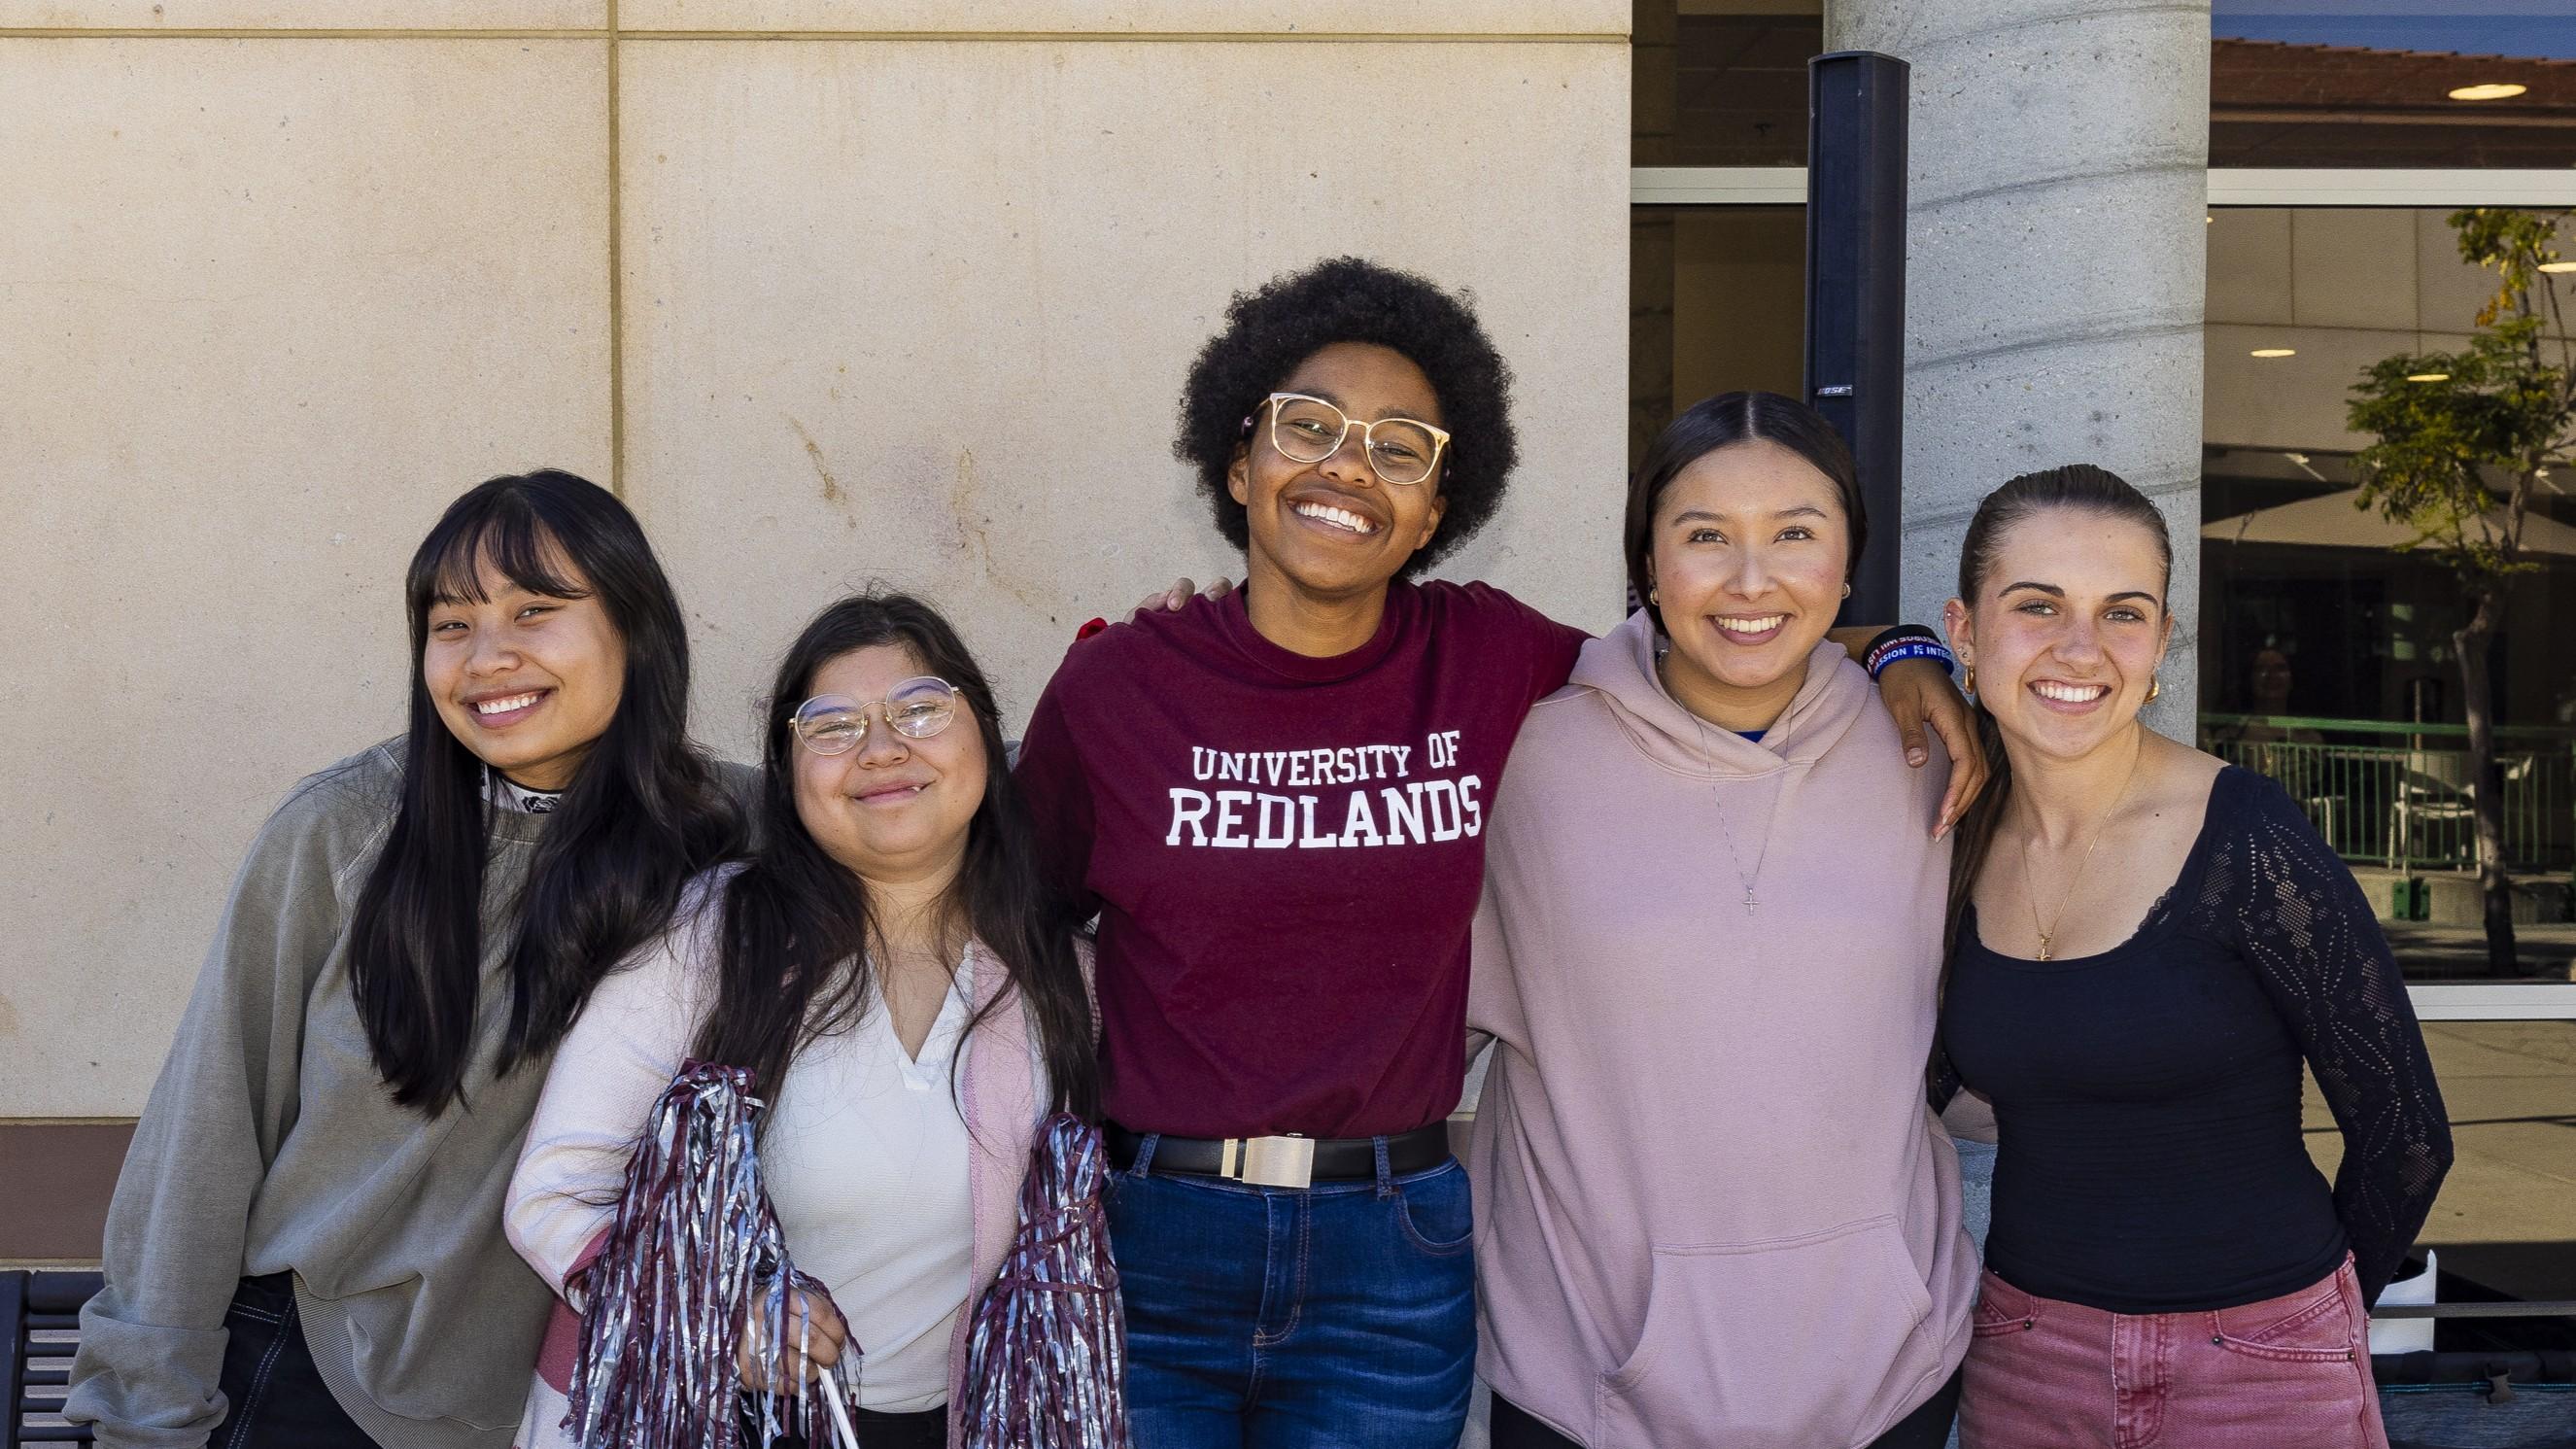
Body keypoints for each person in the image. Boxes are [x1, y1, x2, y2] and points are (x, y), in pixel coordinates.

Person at [1012, 257, 1980, 1447]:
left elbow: (1725, 633)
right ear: (1236, 458)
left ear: (1434, 508)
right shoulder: (1119, 685)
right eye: (1307, 427)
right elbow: (1014, 928)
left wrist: (1903, 650)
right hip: (1149, 1229)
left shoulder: (1489, 661)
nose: (1345, 468)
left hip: (1389, 1241)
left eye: (1398, 447)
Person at [67, 471, 746, 1449]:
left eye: (533, 612)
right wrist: (146, 1407)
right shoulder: (343, 831)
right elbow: (206, 1128)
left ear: (636, 632)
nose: (487, 656)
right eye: (451, 623)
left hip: (599, 1407)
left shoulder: (738, 836)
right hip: (323, 1376)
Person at [1467, 393, 1977, 1449]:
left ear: (1846, 564)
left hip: (1885, 1371)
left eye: (1794, 534)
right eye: (1703, 537)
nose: (1751, 581)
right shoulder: (1519, 760)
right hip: (1590, 1377)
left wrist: (1904, 648)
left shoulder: (1934, 754)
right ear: (1646, 565)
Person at [506, 592, 1103, 1449]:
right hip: (694, 1418)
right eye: (832, 725)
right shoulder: (709, 935)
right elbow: (554, 1190)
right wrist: (716, 1310)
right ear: (787, 770)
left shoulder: (1061, 978)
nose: (882, 748)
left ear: (985, 734)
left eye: (921, 709)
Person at [1936, 465, 2453, 1448]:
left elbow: (2407, 1137)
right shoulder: (1951, 838)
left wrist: (2300, 1328)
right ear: (1964, 630)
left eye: (2121, 613)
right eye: (2035, 604)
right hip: (2023, 1360)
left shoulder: (2248, 840)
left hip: (2260, 1368)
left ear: (2160, 641)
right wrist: (1895, 659)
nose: (2078, 647)